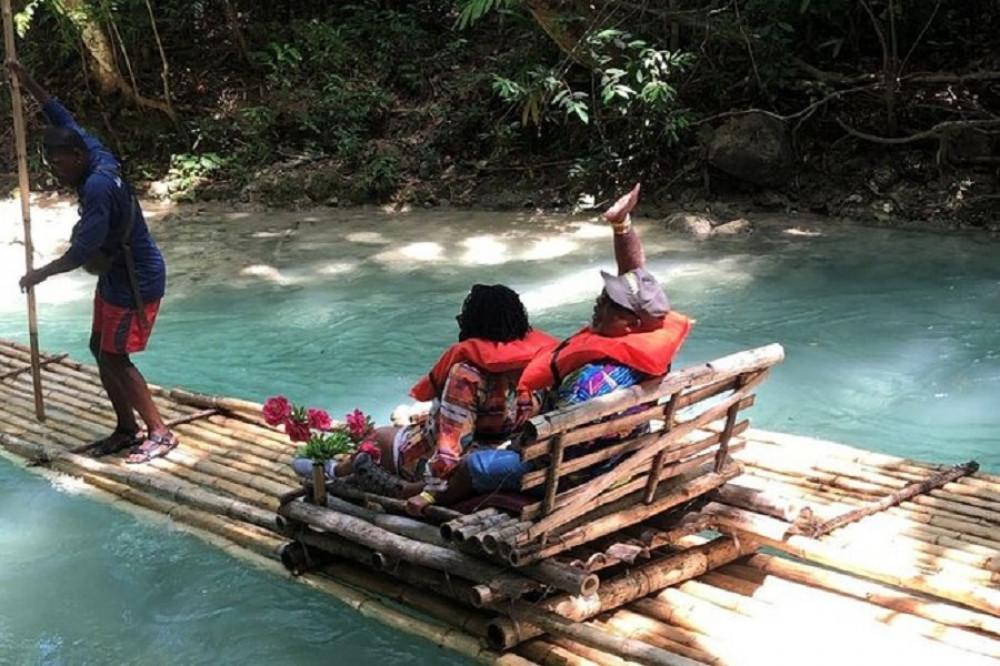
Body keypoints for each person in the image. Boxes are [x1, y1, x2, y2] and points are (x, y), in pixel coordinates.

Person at [443, 183, 693, 505]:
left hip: (571, 474)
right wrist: (622, 225)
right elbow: (638, 280)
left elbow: (546, 449)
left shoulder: (588, 386)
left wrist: (518, 445)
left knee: (469, 467)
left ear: (630, 323)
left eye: (607, 303)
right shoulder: (650, 343)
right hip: (618, 457)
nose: (597, 304)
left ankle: (429, 506)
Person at [9, 60, 176, 464]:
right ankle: (126, 428)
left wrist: (39, 274)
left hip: (135, 277)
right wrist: (26, 79)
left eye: (60, 164)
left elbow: (83, 251)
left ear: (78, 155)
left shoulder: (99, 187)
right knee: (100, 349)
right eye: (51, 165)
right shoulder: (92, 149)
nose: (56, 171)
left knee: (116, 356)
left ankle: (160, 433)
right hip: (117, 273)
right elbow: (58, 112)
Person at [335, 284, 559, 515]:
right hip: (507, 448)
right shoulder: (539, 362)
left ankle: (335, 476)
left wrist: (429, 492)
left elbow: (451, 445)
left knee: (378, 439)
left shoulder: (468, 375)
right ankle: (345, 475)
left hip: (459, 465)